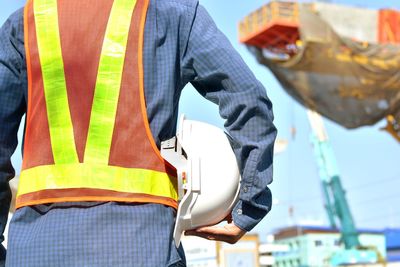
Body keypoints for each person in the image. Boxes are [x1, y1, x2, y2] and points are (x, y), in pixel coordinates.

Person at [0, 0, 277, 266]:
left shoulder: (25, 23)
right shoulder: (174, 14)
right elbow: (249, 99)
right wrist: (248, 207)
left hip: (36, 250)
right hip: (142, 244)